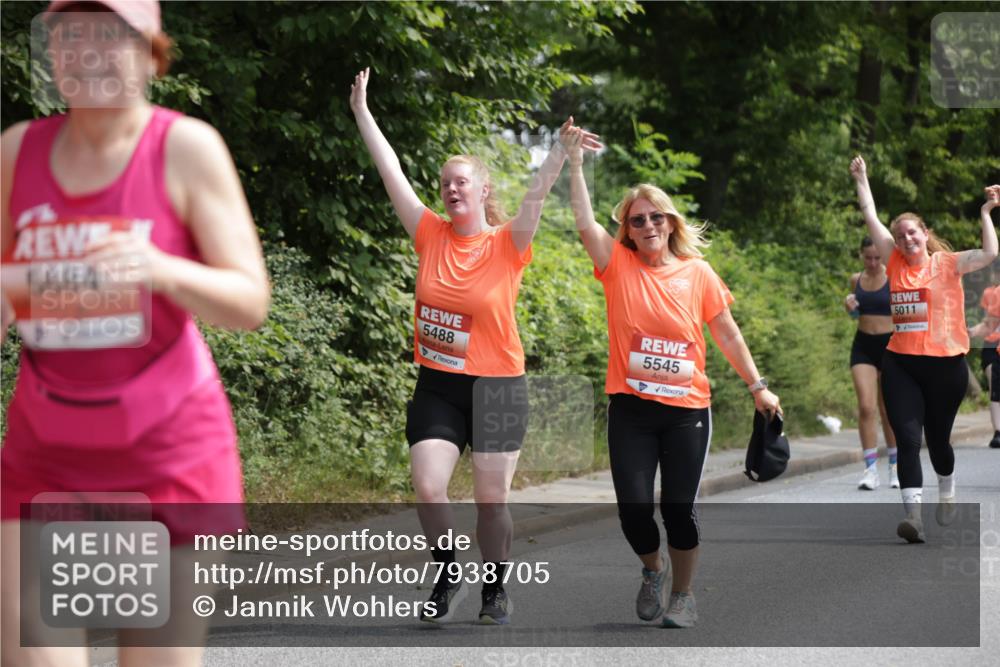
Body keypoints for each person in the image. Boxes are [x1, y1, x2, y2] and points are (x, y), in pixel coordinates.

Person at [1, 2, 270, 665]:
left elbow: (249, 300)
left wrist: (159, 267)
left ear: (151, 53)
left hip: (170, 457)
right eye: (68, 34)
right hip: (47, 456)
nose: (84, 49)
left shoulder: (184, 147)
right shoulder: (14, 151)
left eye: (106, 34)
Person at [349, 67, 599, 625]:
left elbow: (535, 199)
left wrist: (558, 154)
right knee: (428, 485)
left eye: (463, 181)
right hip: (438, 385)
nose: (451, 188)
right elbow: (389, 171)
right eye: (446, 182)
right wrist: (363, 112)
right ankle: (447, 571)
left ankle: (494, 588)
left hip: (499, 388)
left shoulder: (507, 243)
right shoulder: (428, 232)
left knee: (491, 503)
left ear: (483, 190)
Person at [562, 127, 781, 629]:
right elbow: (581, 220)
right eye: (637, 220)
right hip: (632, 410)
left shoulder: (697, 272)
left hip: (686, 411)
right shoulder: (616, 265)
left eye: (654, 216)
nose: (647, 225)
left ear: (669, 220)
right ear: (628, 231)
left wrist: (757, 386)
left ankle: (683, 595)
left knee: (678, 509)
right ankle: (652, 570)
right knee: (634, 510)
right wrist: (574, 164)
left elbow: (725, 332)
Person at [850, 155, 998, 543]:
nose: (906, 240)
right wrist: (862, 178)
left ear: (924, 233)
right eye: (900, 237)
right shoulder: (894, 261)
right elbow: (870, 214)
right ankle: (913, 517)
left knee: (938, 442)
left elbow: (989, 254)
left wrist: (986, 212)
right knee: (908, 439)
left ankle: (946, 488)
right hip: (900, 363)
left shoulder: (948, 263)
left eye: (912, 234)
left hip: (946, 367)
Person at [844, 237, 898, 489]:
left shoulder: (894, 277)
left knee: (888, 410)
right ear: (862, 256)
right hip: (863, 346)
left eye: (878, 258)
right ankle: (870, 470)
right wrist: (850, 307)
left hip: (889, 347)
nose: (874, 263)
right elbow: (856, 315)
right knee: (866, 407)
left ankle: (895, 467)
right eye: (869, 258)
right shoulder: (856, 280)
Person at [969, 262, 1000, 448]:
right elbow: (988, 322)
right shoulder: (991, 293)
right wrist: (971, 332)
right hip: (991, 344)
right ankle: (998, 431)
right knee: (994, 386)